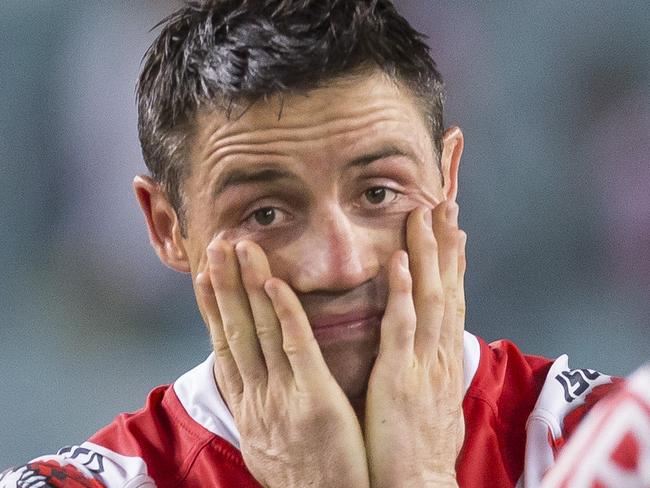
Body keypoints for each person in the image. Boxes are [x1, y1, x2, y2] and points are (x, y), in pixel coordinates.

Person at [0, 1, 630, 487]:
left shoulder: (611, 444)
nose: (340, 263)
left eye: (379, 194)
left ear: (448, 179)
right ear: (167, 227)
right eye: (265, 212)